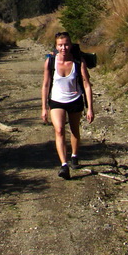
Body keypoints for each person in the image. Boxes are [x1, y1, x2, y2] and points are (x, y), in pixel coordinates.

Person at [41, 31, 94, 179]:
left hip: (75, 100)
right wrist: (44, 107)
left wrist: (90, 108)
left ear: (70, 45)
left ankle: (74, 156)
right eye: (60, 45)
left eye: (66, 44)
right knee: (59, 130)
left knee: (74, 129)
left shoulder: (78, 62)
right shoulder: (50, 62)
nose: (63, 48)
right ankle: (64, 165)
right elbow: (45, 85)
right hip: (57, 101)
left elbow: (87, 85)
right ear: (56, 46)